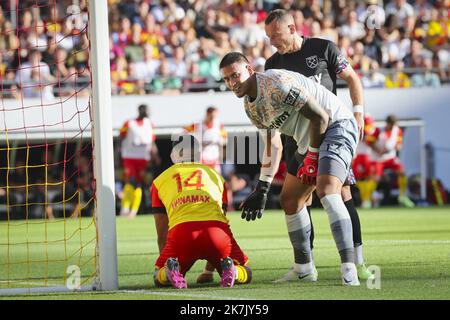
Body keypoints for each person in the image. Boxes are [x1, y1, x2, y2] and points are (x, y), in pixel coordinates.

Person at [220, 52, 360, 286]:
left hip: (337, 125)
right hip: (310, 141)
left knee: (327, 190)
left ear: (250, 70)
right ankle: (304, 268)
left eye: (236, 75)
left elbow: (321, 118)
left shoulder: (276, 84)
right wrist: (263, 187)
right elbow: (273, 145)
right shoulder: (250, 107)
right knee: (290, 200)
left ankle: (349, 269)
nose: (233, 83)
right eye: (227, 79)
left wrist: (313, 157)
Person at [263, 9, 373, 281]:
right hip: (296, 137)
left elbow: (352, 79)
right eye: (268, 37)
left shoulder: (324, 48)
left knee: (340, 192)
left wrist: (358, 112)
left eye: (276, 35)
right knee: (297, 199)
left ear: (292, 29)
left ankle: (355, 259)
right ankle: (305, 265)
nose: (272, 42)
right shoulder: (272, 64)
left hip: (330, 131)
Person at [151, 135, 251, 289]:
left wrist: (166, 262)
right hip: (217, 235)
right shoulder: (217, 177)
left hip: (182, 235)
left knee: (159, 276)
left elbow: (161, 234)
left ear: (174, 154)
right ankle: (234, 272)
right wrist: (208, 272)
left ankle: (170, 272)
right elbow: (219, 220)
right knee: (246, 271)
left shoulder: (159, 181)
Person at [119, 104, 160, 218]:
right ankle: (125, 208)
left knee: (139, 184)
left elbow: (152, 142)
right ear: (140, 110)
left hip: (144, 158)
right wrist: (118, 153)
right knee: (130, 181)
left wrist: (155, 155)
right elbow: (121, 137)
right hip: (129, 157)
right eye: (146, 110)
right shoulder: (128, 123)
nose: (148, 112)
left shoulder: (150, 124)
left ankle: (133, 211)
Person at [372, 115, 415, 208]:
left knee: (402, 172)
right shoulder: (379, 131)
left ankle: (402, 196)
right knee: (376, 178)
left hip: (391, 157)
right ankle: (370, 199)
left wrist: (397, 146)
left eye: (393, 125)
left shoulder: (397, 131)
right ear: (387, 124)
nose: (391, 127)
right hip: (380, 158)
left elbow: (399, 144)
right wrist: (377, 150)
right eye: (390, 125)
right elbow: (370, 142)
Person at [184, 106, 227, 174]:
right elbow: (185, 130)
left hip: (213, 155)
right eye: (212, 116)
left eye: (215, 116)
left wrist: (220, 141)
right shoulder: (198, 124)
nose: (213, 118)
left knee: (217, 175)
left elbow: (225, 139)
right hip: (201, 155)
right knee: (200, 174)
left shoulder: (219, 125)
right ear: (207, 114)